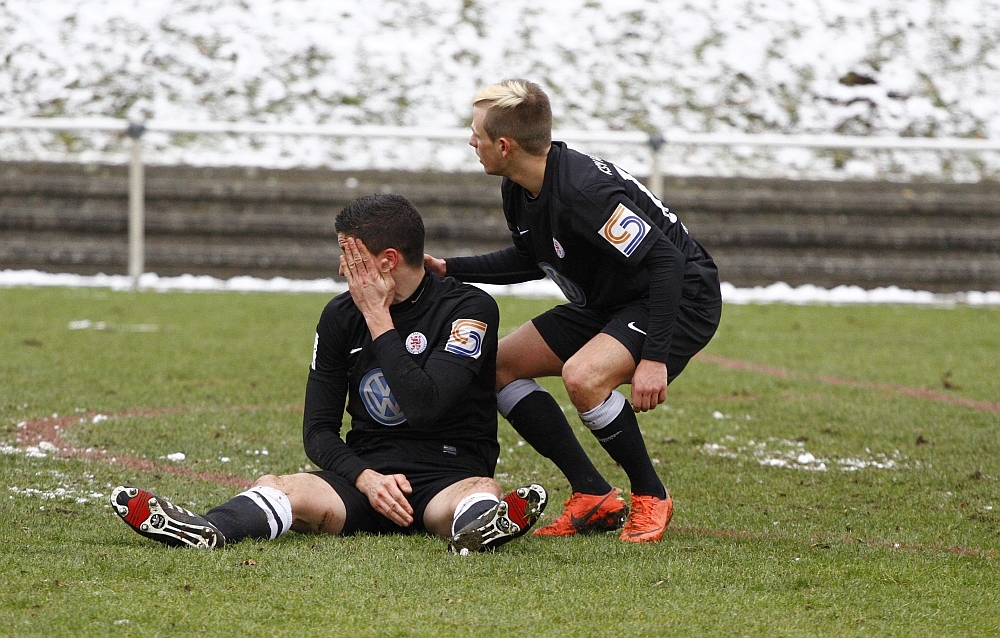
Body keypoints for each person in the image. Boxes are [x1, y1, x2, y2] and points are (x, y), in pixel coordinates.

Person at [111, 193, 547, 553]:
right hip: (364, 478)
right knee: (283, 486)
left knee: (480, 489)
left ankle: (477, 532)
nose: (341, 267)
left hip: (447, 475)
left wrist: (378, 318)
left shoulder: (469, 308)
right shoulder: (339, 315)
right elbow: (318, 431)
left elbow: (425, 405)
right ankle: (206, 530)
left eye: (348, 253)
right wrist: (365, 478)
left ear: (387, 261)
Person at [424, 79, 722, 543]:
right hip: (612, 299)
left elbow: (667, 261)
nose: (470, 141)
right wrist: (450, 270)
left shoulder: (583, 191)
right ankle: (593, 495)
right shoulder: (520, 185)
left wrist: (655, 357)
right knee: (497, 366)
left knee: (584, 376)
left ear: (504, 146)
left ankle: (651, 495)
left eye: (476, 134)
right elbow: (531, 257)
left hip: (680, 296)